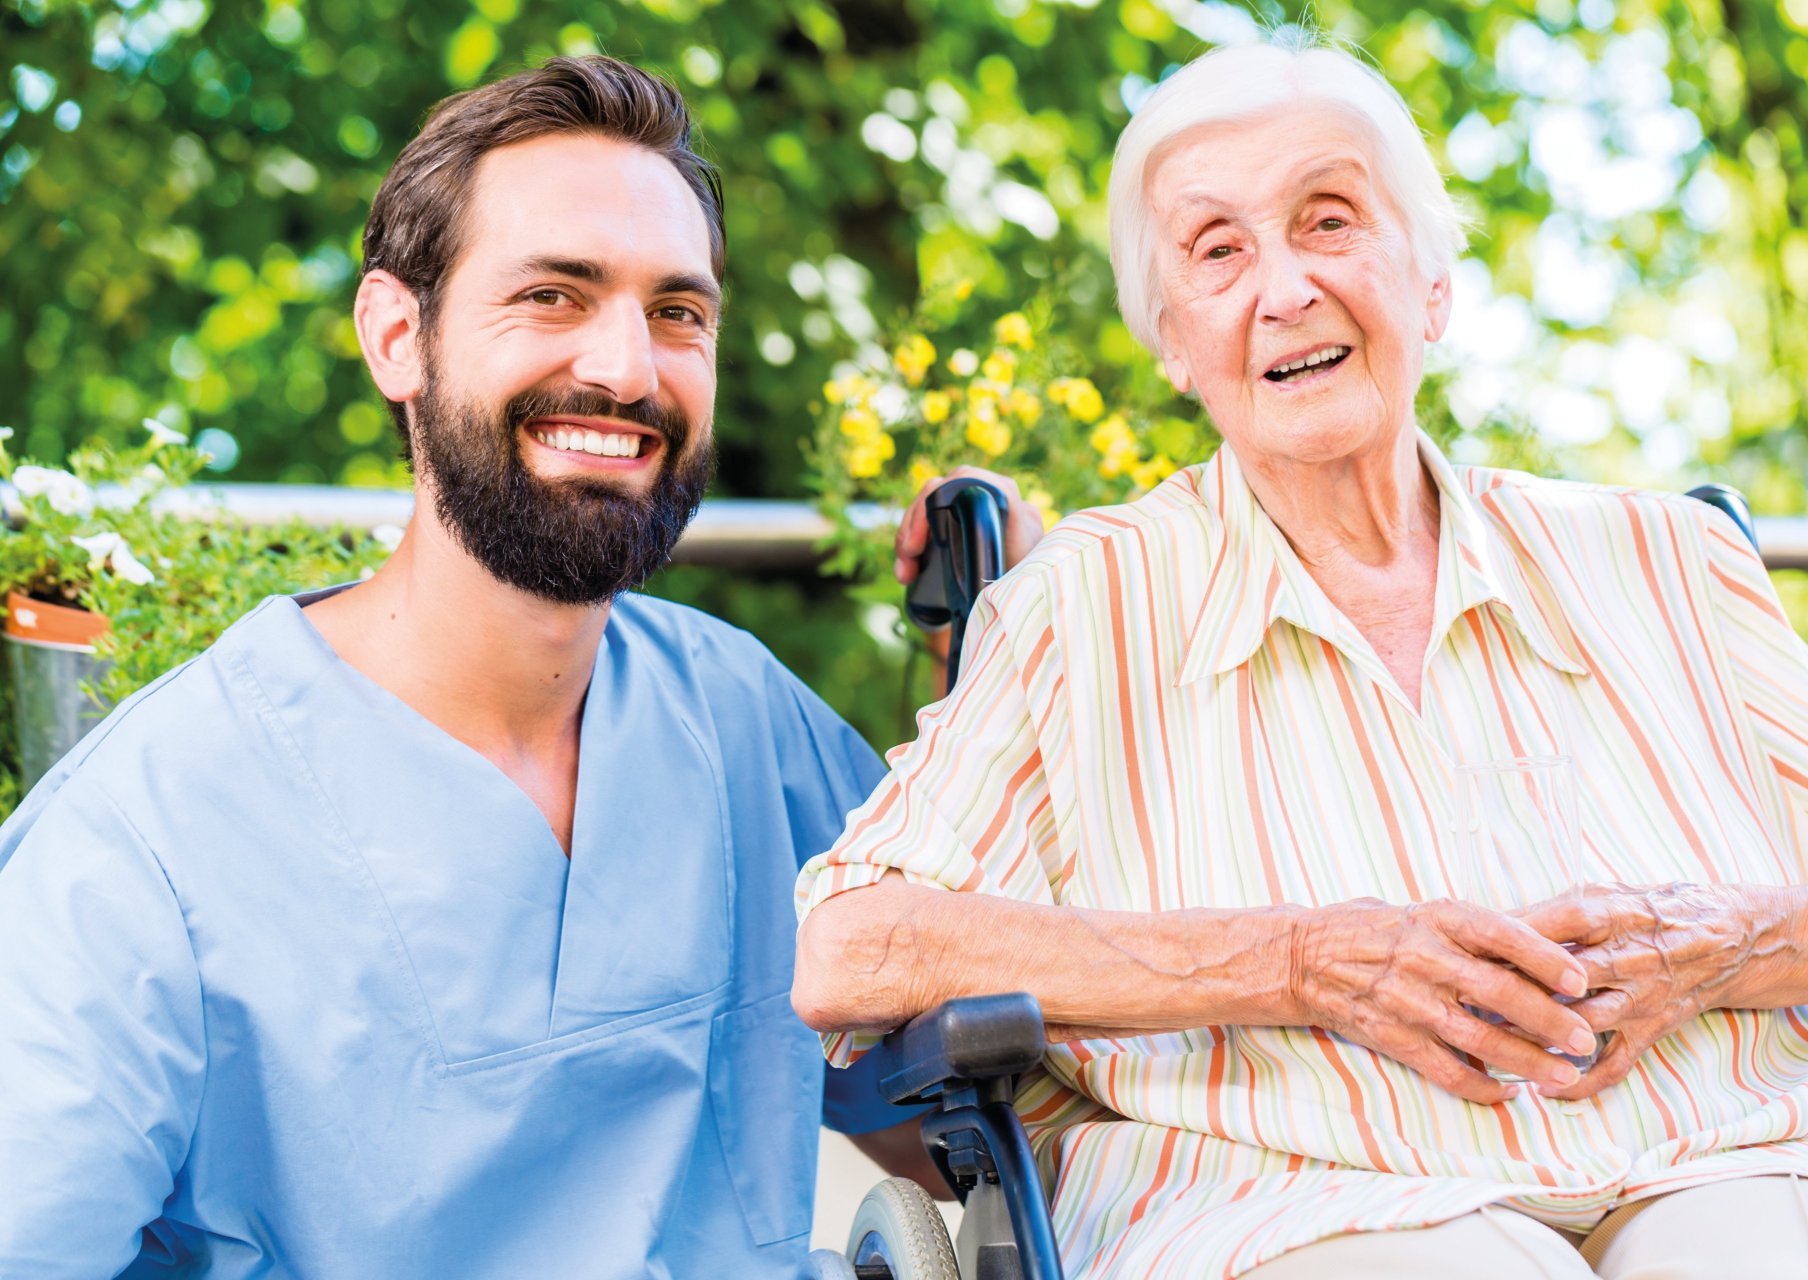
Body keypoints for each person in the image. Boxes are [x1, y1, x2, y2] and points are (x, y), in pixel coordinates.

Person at [793, 35, 1808, 1280]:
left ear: (1431, 286)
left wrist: (1734, 938)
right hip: (1293, 1202)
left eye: (1329, 220)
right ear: (1174, 341)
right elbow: (855, 946)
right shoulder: (1085, 609)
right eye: (1219, 251)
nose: (1284, 289)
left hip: (1736, 1157)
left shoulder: (1664, 562)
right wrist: (1303, 961)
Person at [0, 56, 1037, 1276]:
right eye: (553, 294)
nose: (627, 369)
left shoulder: (745, 721)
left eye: (678, 312)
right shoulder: (144, 837)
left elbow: (964, 1113)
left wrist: (1035, 656)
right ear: (398, 334)